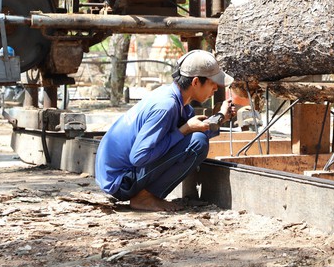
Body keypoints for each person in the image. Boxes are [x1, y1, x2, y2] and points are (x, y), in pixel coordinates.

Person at [95, 50, 235, 211]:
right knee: (198, 143)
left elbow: (191, 132)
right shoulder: (165, 106)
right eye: (213, 83)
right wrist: (184, 130)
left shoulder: (180, 103)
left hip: (122, 174)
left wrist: (221, 118)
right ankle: (144, 198)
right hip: (120, 181)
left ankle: (146, 195)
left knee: (196, 138)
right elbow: (139, 157)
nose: (216, 89)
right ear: (196, 82)